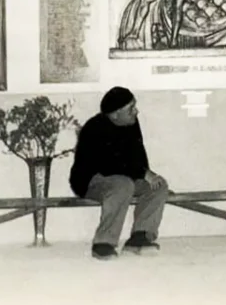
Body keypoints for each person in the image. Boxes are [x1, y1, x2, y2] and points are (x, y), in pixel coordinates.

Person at [69, 87, 169, 260]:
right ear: (115, 114)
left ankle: (140, 237)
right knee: (123, 184)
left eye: (134, 106)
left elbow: (138, 155)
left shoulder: (131, 122)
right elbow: (108, 166)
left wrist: (148, 174)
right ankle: (103, 243)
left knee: (159, 185)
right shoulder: (94, 128)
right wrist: (141, 172)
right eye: (131, 108)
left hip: (125, 178)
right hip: (92, 180)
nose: (136, 111)